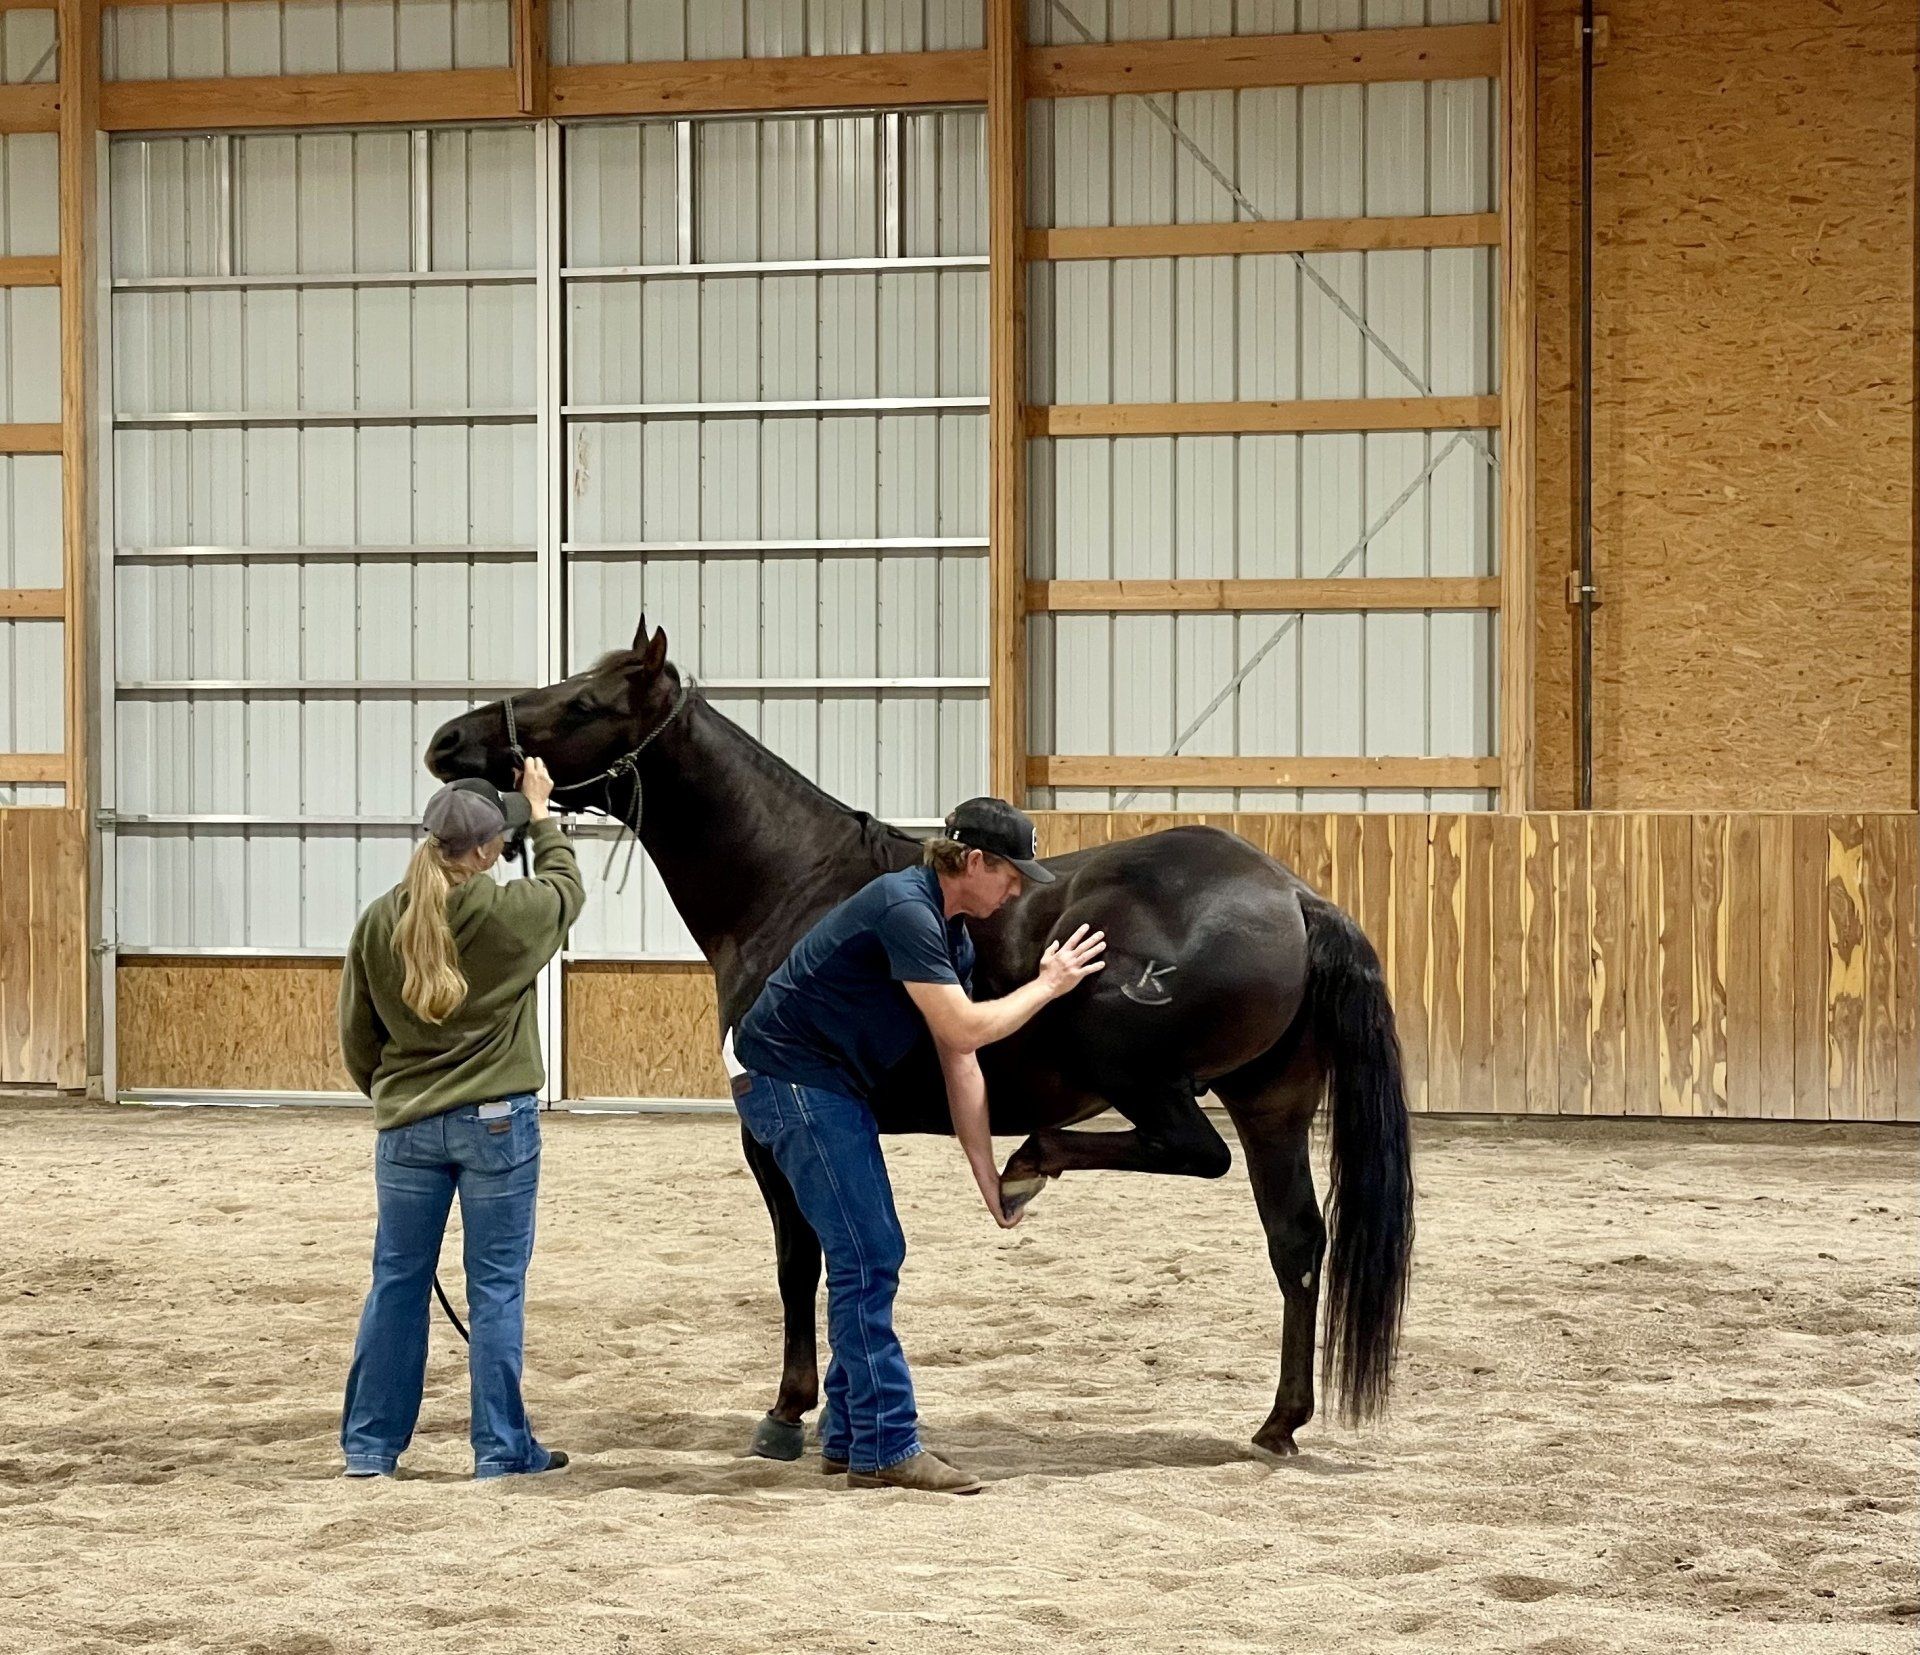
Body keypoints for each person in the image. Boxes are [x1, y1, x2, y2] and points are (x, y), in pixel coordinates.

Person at [731, 797, 1106, 1495]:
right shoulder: (904, 907)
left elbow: (960, 1060)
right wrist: (1048, 986)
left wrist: (987, 1175)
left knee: (865, 1249)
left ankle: (848, 1434)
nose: (1019, 888)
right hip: (793, 1080)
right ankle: (884, 1445)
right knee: (869, 1251)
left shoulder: (950, 936)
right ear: (972, 862)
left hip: (821, 1084)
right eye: (1011, 874)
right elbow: (967, 1028)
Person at [337, 758, 584, 1480]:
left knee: (396, 1283)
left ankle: (370, 1448)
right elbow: (566, 891)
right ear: (482, 851)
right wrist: (542, 816)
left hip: (407, 1128)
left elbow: (358, 1041)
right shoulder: (507, 915)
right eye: (501, 839)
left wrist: (399, 1097)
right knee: (496, 1286)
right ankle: (501, 1448)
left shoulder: (380, 919)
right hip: (496, 1125)